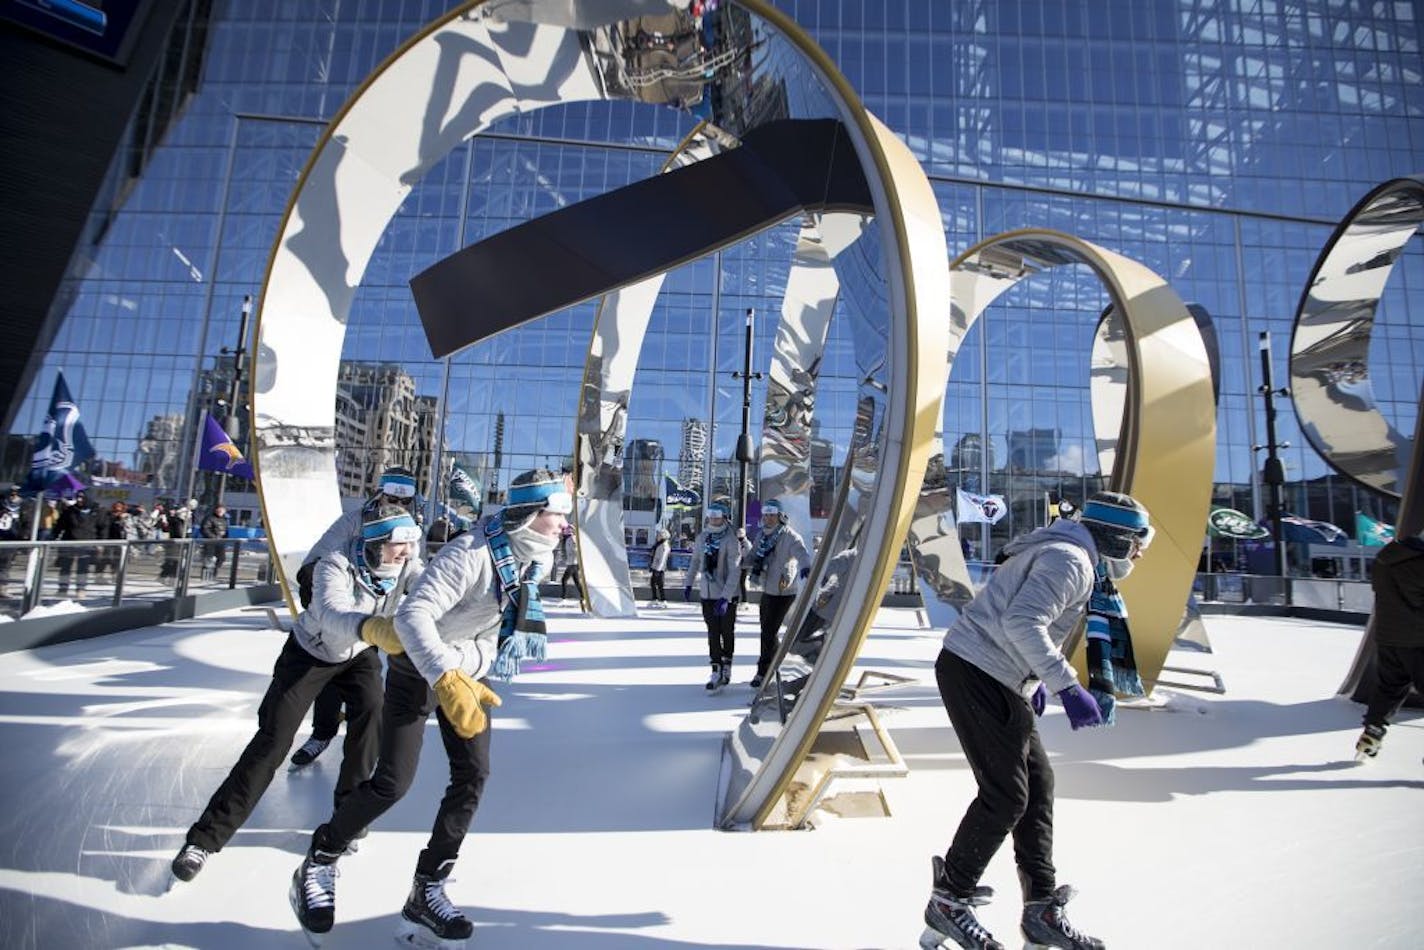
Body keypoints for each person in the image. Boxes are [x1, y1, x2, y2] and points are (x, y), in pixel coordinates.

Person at [289, 469, 569, 947]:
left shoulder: (529, 561)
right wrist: (444, 673)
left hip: (463, 673)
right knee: (392, 783)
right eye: (558, 515)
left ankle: (427, 889)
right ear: (529, 515)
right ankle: (319, 859)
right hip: (416, 670)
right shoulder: (470, 554)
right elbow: (413, 616)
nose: (565, 526)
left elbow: (491, 640)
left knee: (474, 775)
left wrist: (463, 668)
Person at [919, 490, 1152, 950]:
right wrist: (1066, 684)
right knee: (1006, 796)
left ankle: (1041, 908)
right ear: (1115, 536)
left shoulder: (1066, 552)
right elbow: (1023, 623)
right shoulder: (1071, 561)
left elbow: (1018, 616)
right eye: (1136, 541)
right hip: (978, 670)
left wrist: (1033, 675)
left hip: (998, 674)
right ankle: (950, 898)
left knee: (1037, 789)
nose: (1139, 552)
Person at [169, 504, 421, 884]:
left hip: (359, 655)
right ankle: (204, 839)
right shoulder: (335, 564)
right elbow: (331, 612)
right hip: (311, 654)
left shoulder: (405, 565)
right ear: (374, 541)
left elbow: (429, 588)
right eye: (398, 544)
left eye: (410, 543)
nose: (405, 551)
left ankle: (348, 817)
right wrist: (373, 628)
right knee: (273, 741)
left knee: (371, 720)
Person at [290, 466, 424, 770]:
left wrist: (431, 595)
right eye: (392, 498)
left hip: (374, 624)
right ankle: (322, 732)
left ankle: (361, 761)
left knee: (369, 698)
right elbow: (317, 558)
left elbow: (416, 570)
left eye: (404, 502)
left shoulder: (409, 530)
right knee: (329, 678)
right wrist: (319, 595)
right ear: (380, 493)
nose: (398, 507)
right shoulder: (354, 522)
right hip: (339, 620)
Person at [1354, 531, 1424, 761]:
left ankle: (1372, 733)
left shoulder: (1383, 562)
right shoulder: (1420, 564)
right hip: (1418, 640)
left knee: (1389, 688)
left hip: (1388, 638)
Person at [747, 499, 813, 688]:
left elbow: (802, 554)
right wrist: (737, 563)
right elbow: (752, 557)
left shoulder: (790, 536)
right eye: (766, 515)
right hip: (768, 589)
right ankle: (773, 666)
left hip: (784, 591)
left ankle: (763, 670)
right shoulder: (762, 536)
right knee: (767, 631)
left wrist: (806, 567)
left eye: (772, 515)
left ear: (780, 516)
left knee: (769, 631)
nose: (768, 518)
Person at [684, 500, 741, 693]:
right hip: (707, 594)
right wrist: (689, 582)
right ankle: (715, 668)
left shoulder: (731, 540)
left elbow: (735, 571)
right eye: (712, 517)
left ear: (724, 518)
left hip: (726, 595)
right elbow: (695, 561)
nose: (714, 520)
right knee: (712, 633)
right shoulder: (703, 538)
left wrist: (726, 597)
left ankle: (727, 664)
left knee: (727, 631)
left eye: (718, 518)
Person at [53, 491, 101, 596]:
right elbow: (59, 526)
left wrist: (101, 542)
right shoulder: (70, 511)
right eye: (78, 497)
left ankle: (81, 588)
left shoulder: (96, 511)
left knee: (83, 568)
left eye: (82, 497)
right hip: (69, 542)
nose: (79, 499)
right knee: (65, 567)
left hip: (87, 543)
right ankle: (62, 588)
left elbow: (102, 527)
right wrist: (54, 537)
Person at [557, 521, 585, 604]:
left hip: (573, 563)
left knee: (564, 579)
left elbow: (576, 549)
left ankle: (564, 597)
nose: (562, 532)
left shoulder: (571, 538)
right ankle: (583, 596)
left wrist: (576, 553)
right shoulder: (566, 540)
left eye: (564, 531)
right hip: (572, 563)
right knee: (576, 581)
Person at [201, 503, 230, 578]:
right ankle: (206, 575)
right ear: (215, 510)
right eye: (219, 509)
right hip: (211, 542)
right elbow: (205, 529)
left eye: (222, 510)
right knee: (209, 558)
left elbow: (226, 530)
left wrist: (225, 538)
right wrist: (213, 537)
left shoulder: (224, 519)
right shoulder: (210, 518)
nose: (221, 511)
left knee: (221, 558)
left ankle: (215, 571)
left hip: (220, 542)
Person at [648, 527, 671, 607]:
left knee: (659, 584)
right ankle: (656, 599)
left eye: (659, 535)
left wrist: (657, 569)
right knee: (654, 583)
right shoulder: (659, 544)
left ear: (662, 536)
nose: (657, 536)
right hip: (656, 567)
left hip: (659, 568)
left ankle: (662, 600)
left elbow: (662, 559)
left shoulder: (664, 545)